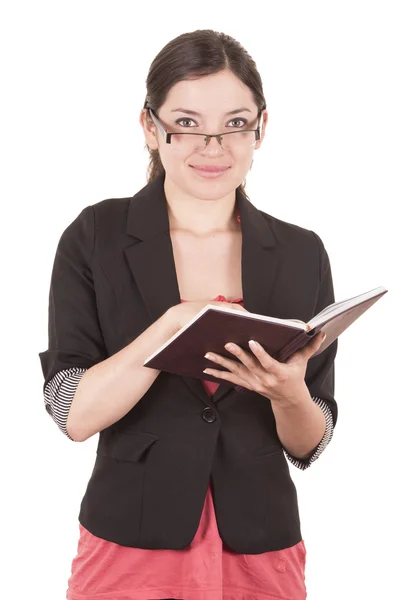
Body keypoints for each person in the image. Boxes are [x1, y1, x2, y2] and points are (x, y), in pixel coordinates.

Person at [39, 29, 337, 600]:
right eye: (188, 123)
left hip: (261, 541)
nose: (213, 146)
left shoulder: (303, 251)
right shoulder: (96, 236)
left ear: (261, 128)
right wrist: (172, 325)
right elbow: (70, 412)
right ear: (151, 128)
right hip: (131, 539)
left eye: (235, 124)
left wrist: (288, 393)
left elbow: (311, 441)